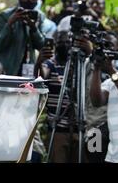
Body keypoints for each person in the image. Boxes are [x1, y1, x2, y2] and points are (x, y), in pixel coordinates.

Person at [35, 30, 92, 162]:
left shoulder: (79, 63)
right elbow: (42, 76)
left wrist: (90, 52)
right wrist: (39, 62)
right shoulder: (50, 63)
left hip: (80, 128)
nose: (64, 45)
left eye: (67, 42)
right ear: (55, 44)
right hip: (58, 129)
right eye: (60, 42)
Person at [0, 0, 45, 76]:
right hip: (7, 70)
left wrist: (33, 28)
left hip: (27, 71)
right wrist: (10, 23)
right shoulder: (5, 15)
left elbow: (40, 45)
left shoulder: (39, 17)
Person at [85, 31, 118, 163]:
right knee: (94, 159)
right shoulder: (88, 64)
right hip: (94, 128)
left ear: (117, 48)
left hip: (116, 130)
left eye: (110, 45)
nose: (106, 48)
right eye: (103, 45)